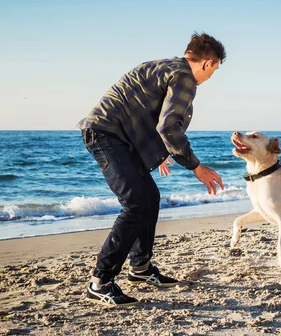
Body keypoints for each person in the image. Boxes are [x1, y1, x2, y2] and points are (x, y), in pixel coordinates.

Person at [78, 32, 226, 306]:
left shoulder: (164, 66)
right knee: (135, 204)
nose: (210, 77)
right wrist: (196, 166)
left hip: (114, 134)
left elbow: (140, 109)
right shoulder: (184, 77)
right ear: (208, 62)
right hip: (107, 134)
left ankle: (141, 269)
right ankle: (100, 282)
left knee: (149, 198)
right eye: (214, 70)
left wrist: (155, 153)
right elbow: (168, 126)